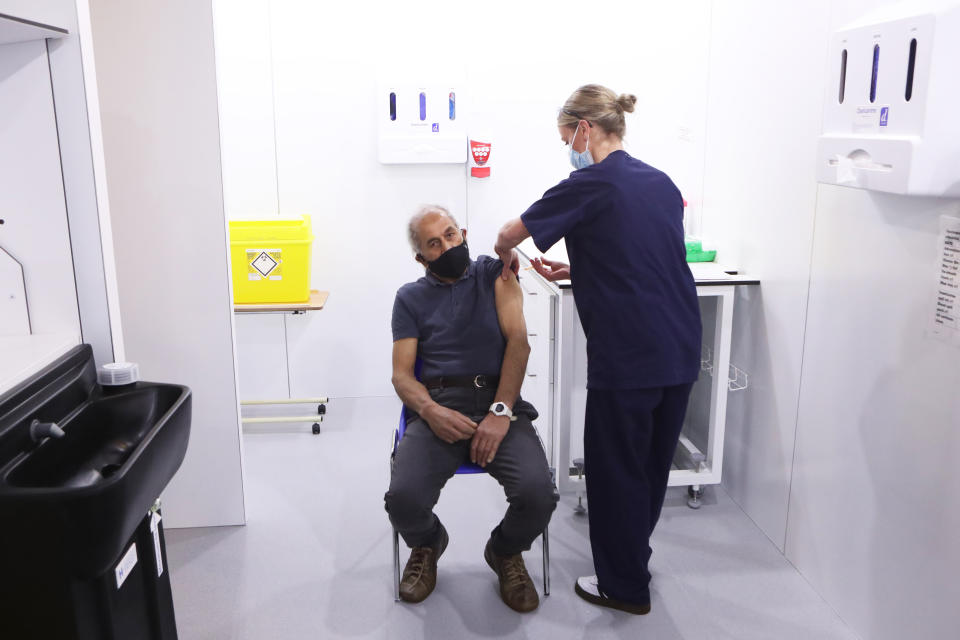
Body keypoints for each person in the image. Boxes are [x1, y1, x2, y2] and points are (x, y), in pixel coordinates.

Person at [493, 84, 702, 615]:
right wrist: (581, 269)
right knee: (651, 468)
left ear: (584, 129)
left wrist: (505, 258)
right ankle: (634, 560)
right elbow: (644, 257)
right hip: (678, 350)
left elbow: (508, 233)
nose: (569, 148)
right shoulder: (661, 184)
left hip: (628, 358)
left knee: (614, 473)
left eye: (567, 137)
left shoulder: (587, 182)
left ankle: (623, 587)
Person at [385, 205, 558, 613]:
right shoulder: (409, 299)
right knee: (403, 500)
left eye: (450, 235)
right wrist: (430, 411)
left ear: (462, 232)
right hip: (440, 408)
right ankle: (428, 543)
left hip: (499, 404)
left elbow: (519, 341)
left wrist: (500, 411)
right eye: (433, 243)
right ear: (420, 257)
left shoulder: (494, 274)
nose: (446, 246)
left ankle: (505, 551)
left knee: (538, 495)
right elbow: (402, 376)